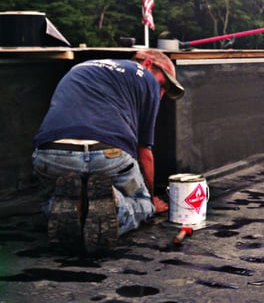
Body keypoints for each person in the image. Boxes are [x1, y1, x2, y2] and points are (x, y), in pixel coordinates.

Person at [32, 49, 184, 254]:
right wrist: (149, 198)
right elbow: (144, 152)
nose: (161, 93)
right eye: (163, 84)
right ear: (148, 63)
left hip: (53, 154)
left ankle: (68, 209)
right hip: (107, 155)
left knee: (50, 201)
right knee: (143, 204)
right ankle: (115, 205)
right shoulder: (145, 77)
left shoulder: (79, 68)